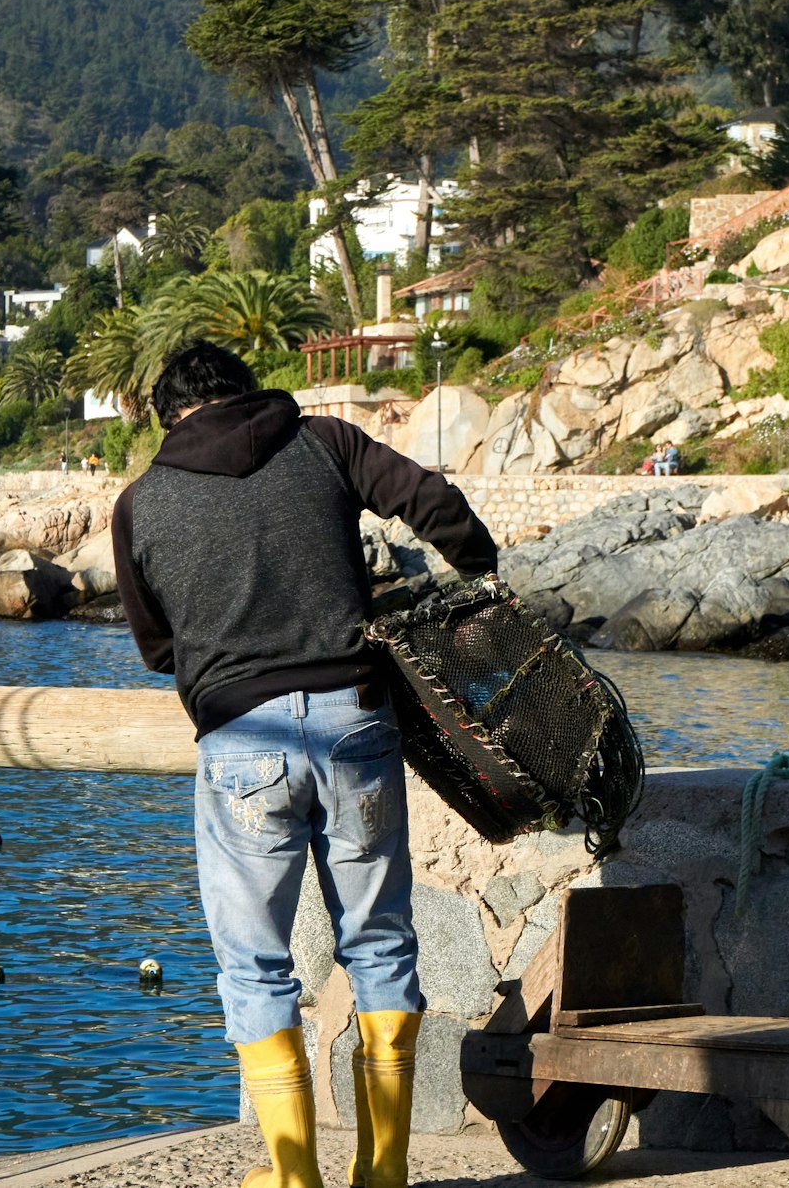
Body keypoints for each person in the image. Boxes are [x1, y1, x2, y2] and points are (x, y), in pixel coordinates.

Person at [113, 342, 498, 1188]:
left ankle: (293, 1178)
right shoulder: (323, 441)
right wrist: (476, 568)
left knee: (254, 963)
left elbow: (153, 645)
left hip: (241, 741)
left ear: (166, 416)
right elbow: (432, 501)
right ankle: (383, 1172)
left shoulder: (142, 503)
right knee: (381, 941)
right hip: (355, 723)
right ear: (246, 393)